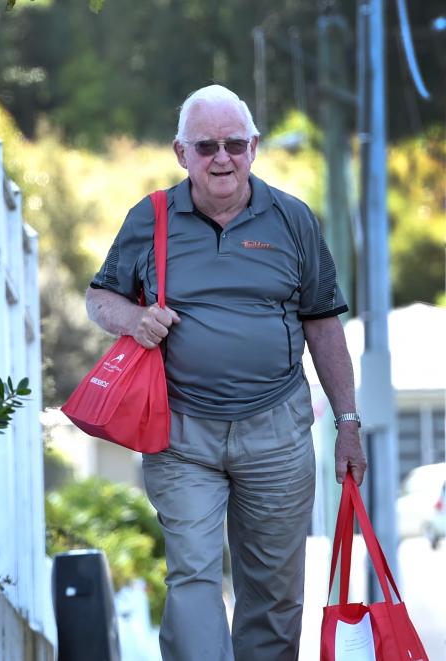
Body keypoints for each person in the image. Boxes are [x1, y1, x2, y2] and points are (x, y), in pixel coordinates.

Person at [86, 84, 366, 661]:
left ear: (254, 148)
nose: (222, 158)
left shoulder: (292, 219)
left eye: (234, 144)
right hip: (181, 431)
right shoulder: (152, 217)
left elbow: (323, 322)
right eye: (207, 145)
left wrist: (348, 421)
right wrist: (136, 318)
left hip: (277, 431)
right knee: (192, 575)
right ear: (180, 152)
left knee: (275, 591)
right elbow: (99, 299)